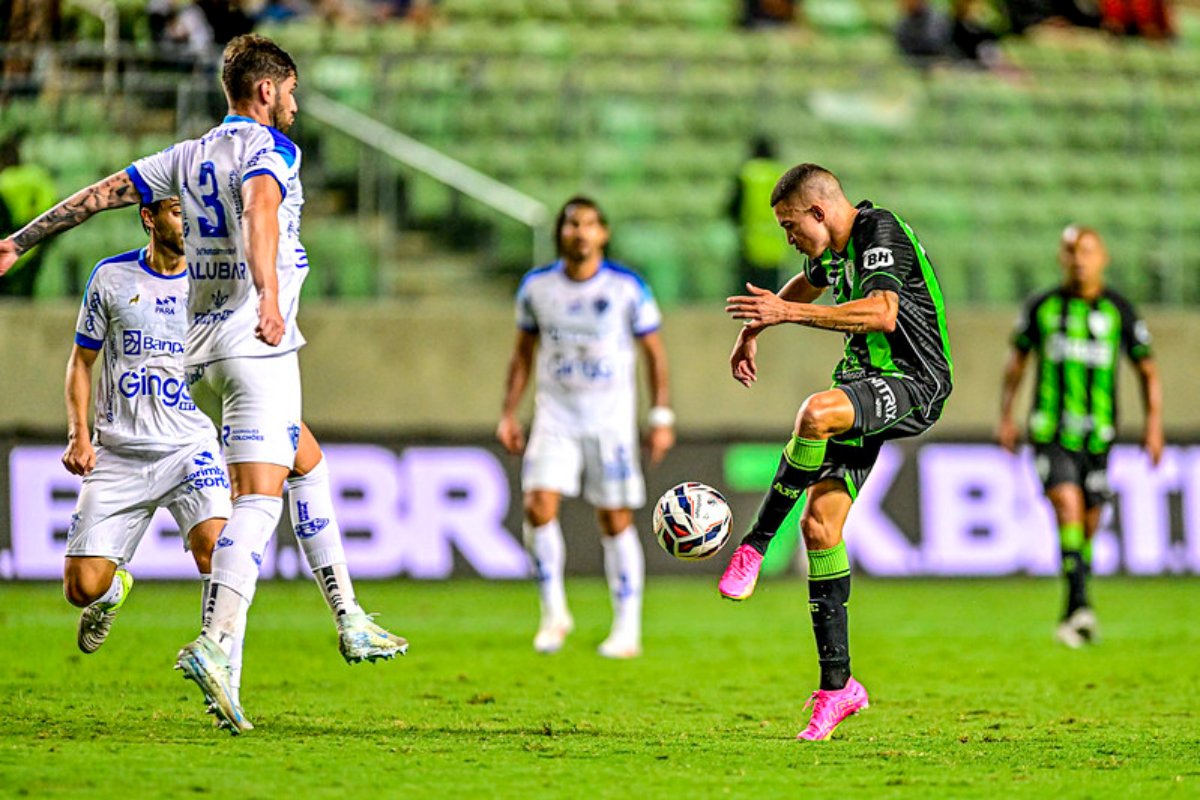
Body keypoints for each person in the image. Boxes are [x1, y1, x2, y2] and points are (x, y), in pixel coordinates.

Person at [0, 33, 407, 734]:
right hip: (253, 344)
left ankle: (349, 617)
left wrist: (19, 241)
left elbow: (97, 196)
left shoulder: (183, 158)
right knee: (259, 498)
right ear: (266, 90)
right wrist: (271, 297)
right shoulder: (270, 152)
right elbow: (259, 210)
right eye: (291, 91)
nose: (296, 104)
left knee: (304, 461)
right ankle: (217, 644)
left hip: (202, 358)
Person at [720, 164, 953, 741]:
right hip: (864, 379)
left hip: (910, 380)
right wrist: (758, 326)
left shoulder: (879, 231)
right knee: (822, 527)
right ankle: (838, 689)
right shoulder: (832, 249)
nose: (789, 238)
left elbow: (882, 312)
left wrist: (786, 314)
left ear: (819, 213)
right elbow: (811, 281)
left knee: (816, 413)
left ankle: (754, 542)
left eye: (790, 226)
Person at [497, 196, 674, 660]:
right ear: (561, 232)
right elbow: (522, 356)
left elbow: (655, 355)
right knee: (537, 505)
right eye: (572, 224)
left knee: (615, 520)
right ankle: (554, 613)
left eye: (590, 224)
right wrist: (509, 413)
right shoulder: (537, 288)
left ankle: (627, 629)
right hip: (555, 415)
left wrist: (660, 416)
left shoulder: (626, 287)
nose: (581, 232)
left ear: (604, 234)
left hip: (610, 421)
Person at [63, 197, 230, 675]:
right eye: (178, 211)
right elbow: (82, 362)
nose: (189, 222)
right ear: (149, 218)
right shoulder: (111, 278)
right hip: (119, 452)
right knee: (81, 588)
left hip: (188, 447)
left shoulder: (213, 282)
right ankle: (113, 592)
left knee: (218, 552)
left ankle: (217, 662)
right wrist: (80, 436)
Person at [997, 225, 1162, 648]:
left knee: (1088, 525)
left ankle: (1072, 611)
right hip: (1050, 432)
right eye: (1070, 251)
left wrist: (1153, 425)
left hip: (1099, 437)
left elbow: (1146, 369)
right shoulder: (1043, 307)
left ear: (1102, 257)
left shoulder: (1119, 311)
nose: (1078, 260)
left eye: (1086, 251)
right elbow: (1016, 362)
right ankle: (1082, 606)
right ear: (1061, 258)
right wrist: (1007, 416)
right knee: (1067, 506)